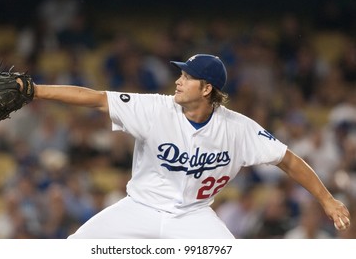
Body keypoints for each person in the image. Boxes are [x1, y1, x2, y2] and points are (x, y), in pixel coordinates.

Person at [21, 53, 350, 238]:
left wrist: (327, 199)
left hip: (192, 217)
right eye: (180, 74)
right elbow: (94, 99)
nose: (178, 80)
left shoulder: (237, 129)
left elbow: (288, 159)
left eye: (187, 76)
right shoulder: (156, 109)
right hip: (140, 208)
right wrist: (34, 91)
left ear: (206, 89)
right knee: (75, 249)